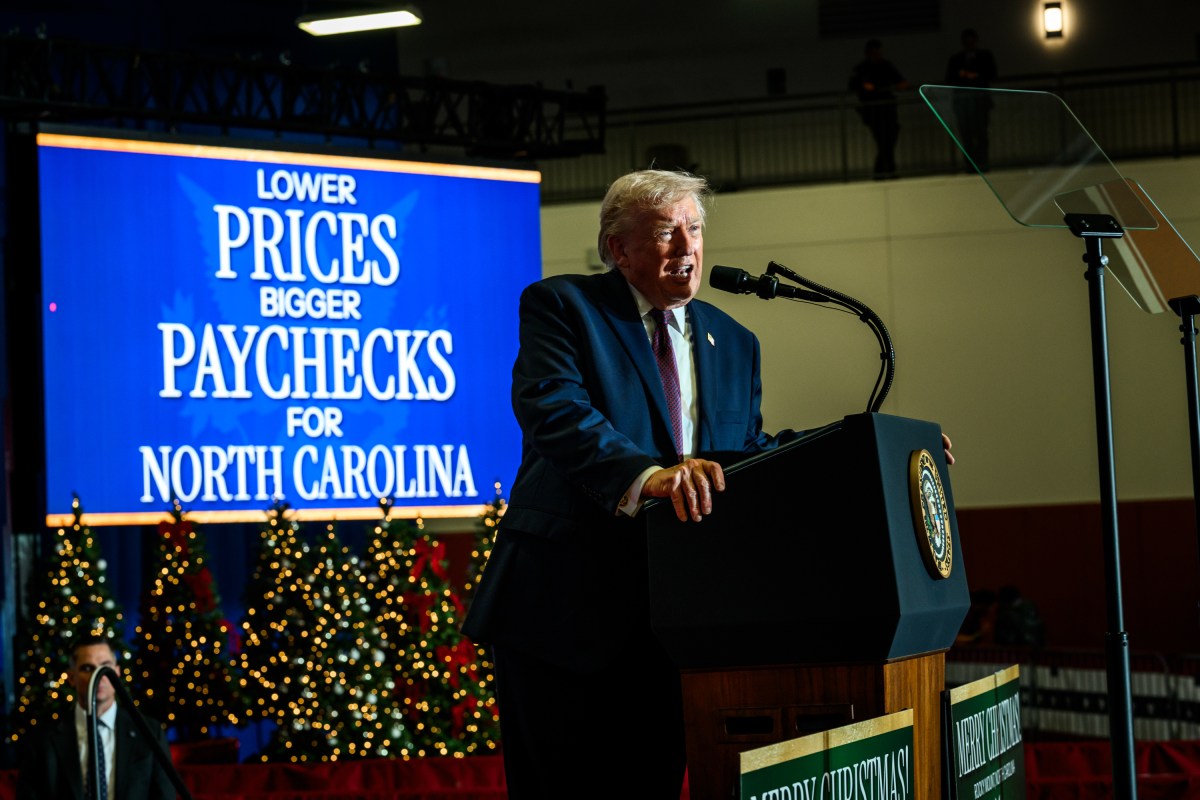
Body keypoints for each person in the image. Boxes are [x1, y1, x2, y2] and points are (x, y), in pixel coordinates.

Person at [461, 168, 953, 799]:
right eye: (667, 232)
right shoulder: (564, 306)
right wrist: (647, 476)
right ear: (619, 249)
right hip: (563, 616)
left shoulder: (735, 342)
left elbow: (747, 456)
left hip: (678, 623)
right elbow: (554, 410)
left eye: (694, 229)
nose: (687, 247)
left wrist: (876, 450)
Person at [16, 634, 175, 800]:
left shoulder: (148, 732)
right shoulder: (43, 738)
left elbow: (165, 795)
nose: (98, 676)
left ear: (117, 672)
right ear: (71, 678)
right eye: (87, 668)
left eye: (105, 666)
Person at [848, 39, 909, 179]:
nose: (877, 55)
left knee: (890, 138)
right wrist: (865, 87)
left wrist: (898, 86)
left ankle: (882, 170)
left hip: (888, 108)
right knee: (883, 140)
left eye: (878, 52)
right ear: (868, 53)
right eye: (874, 53)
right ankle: (886, 170)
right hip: (873, 111)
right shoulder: (862, 69)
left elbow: (901, 82)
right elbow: (853, 86)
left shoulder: (886, 66)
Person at [944, 28, 998, 171]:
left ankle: (982, 163)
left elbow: (992, 73)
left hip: (980, 101)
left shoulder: (984, 56)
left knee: (981, 133)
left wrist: (976, 75)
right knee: (966, 134)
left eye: (972, 42)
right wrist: (962, 75)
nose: (970, 44)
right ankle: (971, 165)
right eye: (967, 42)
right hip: (963, 102)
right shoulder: (956, 60)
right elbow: (949, 77)